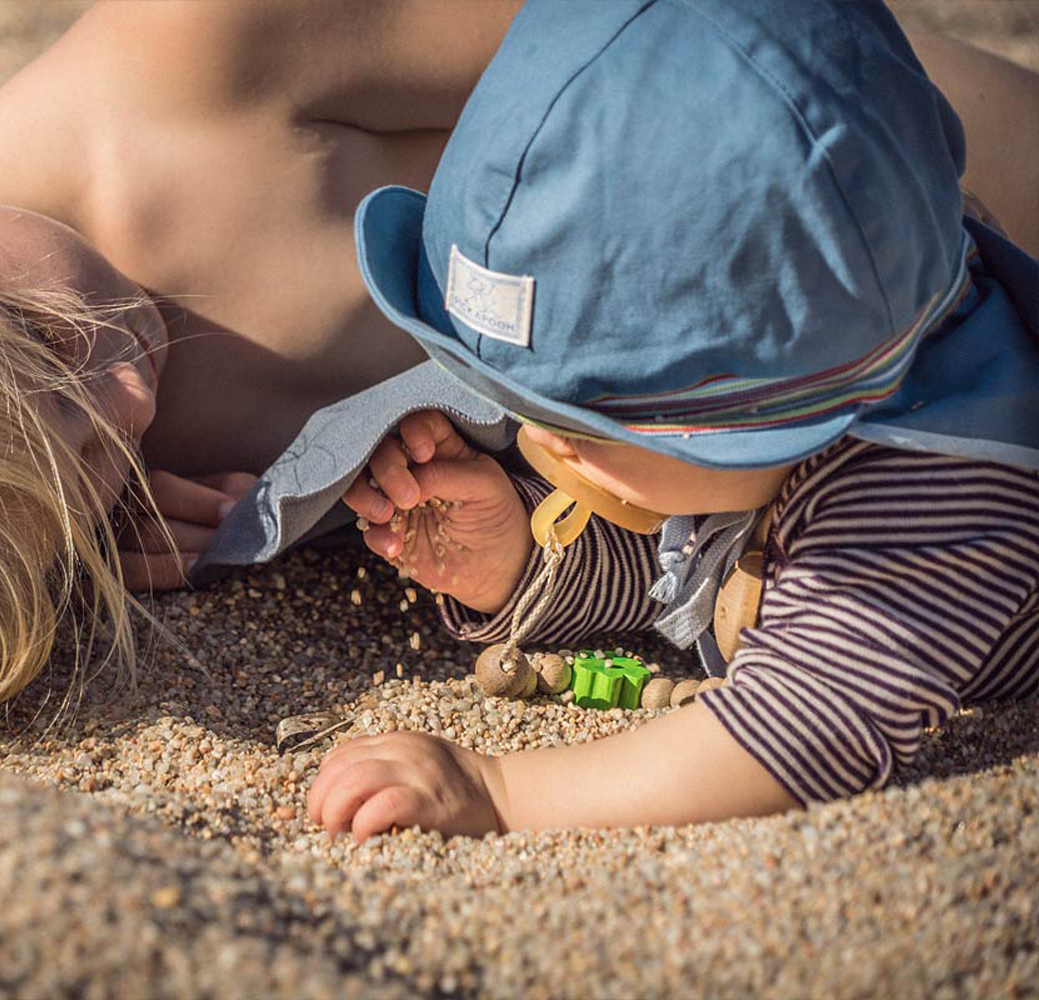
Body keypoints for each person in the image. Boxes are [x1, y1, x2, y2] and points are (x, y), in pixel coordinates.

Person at [0, 2, 1032, 734]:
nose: (117, 400)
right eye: (68, 481)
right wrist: (84, 559)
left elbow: (749, 66)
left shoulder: (199, 70)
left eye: (31, 350)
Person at [311, 0, 1039, 840]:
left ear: (752, 414)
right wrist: (517, 558)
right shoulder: (803, 380)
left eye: (586, 427)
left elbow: (801, 732)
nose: (542, 446)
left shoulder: (939, 483)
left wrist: (503, 791)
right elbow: (708, 574)